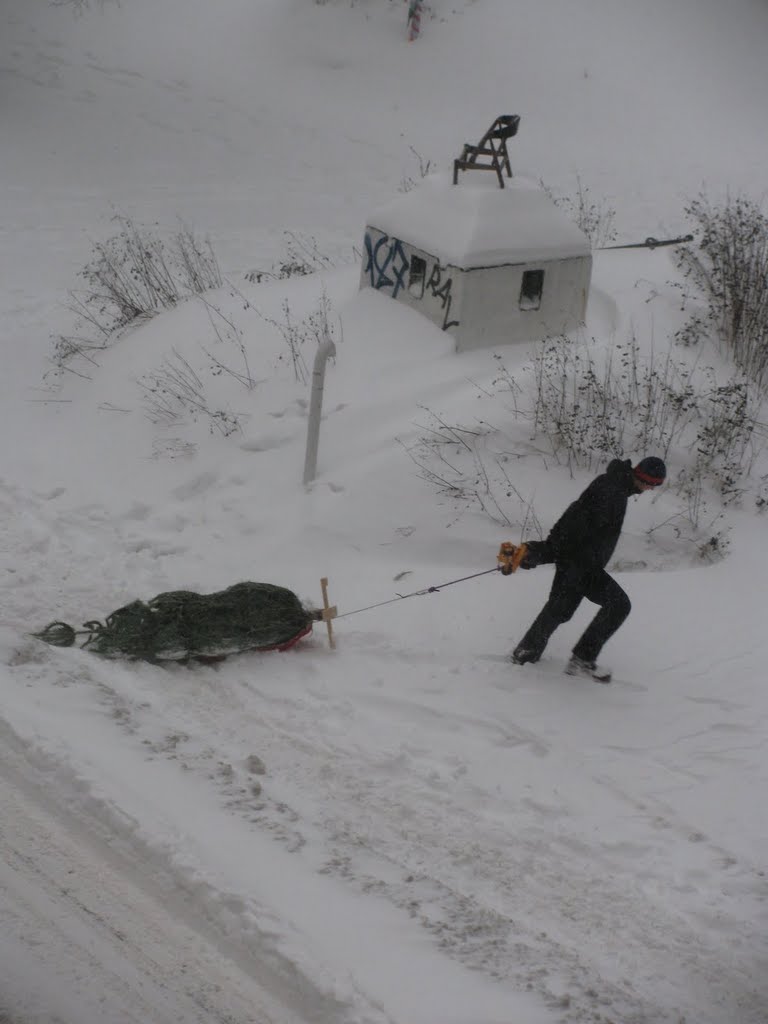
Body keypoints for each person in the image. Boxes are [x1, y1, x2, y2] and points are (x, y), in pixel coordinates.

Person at [510, 456, 666, 680]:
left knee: (560, 609)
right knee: (618, 605)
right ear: (643, 477)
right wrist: (548, 550)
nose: (651, 489)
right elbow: (574, 521)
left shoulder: (615, 486)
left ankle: (527, 651)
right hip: (581, 564)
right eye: (653, 484)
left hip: (582, 563)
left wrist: (549, 550)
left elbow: (576, 517)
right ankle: (579, 659)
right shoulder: (612, 490)